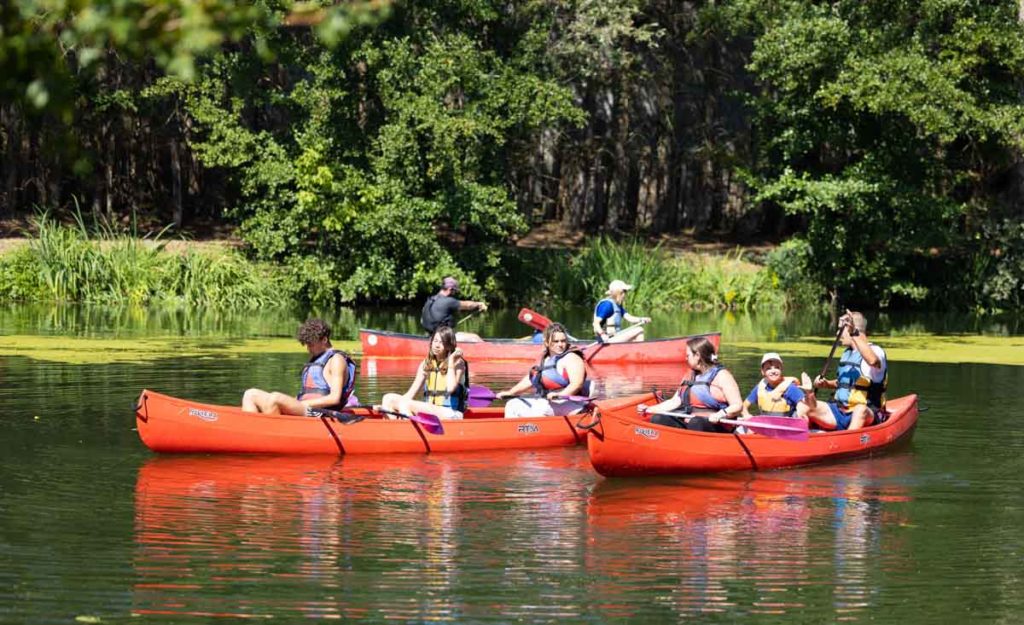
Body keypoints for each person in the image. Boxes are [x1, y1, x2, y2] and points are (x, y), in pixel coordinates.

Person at [242, 318, 356, 415]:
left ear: (324, 340)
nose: (308, 349)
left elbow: (334, 398)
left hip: (321, 413)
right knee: (250, 394)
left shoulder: (336, 360)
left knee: (275, 398)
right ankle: (251, 432)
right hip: (304, 408)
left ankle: (273, 434)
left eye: (311, 345)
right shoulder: (318, 358)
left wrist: (300, 404)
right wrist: (293, 402)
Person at [803, 311, 888, 431]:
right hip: (840, 411)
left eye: (840, 329)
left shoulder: (876, 351)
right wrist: (826, 384)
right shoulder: (847, 353)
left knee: (860, 409)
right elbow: (844, 383)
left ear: (852, 328)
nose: (837, 333)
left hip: (868, 413)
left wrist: (854, 333)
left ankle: (847, 441)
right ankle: (801, 438)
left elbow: (873, 361)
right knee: (805, 406)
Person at [639, 336, 743, 432]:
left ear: (697, 355)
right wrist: (650, 409)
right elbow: (675, 401)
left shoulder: (722, 376)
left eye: (688, 355)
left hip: (717, 425)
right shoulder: (689, 375)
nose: (685, 358)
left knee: (696, 422)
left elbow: (737, 405)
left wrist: (721, 414)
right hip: (691, 423)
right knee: (658, 418)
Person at [496, 323, 591, 418]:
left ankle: (532, 430)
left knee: (541, 408)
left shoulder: (572, 358)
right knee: (512, 404)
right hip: (548, 403)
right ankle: (514, 431)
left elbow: (577, 384)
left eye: (563, 341)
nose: (560, 344)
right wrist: (511, 392)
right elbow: (531, 379)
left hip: (571, 404)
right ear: (546, 342)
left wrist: (560, 395)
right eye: (555, 341)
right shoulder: (545, 359)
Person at [375, 326, 468, 421]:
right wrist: (383, 407)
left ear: (449, 345)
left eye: (442, 342)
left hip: (451, 413)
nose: (437, 345)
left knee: (406, 404)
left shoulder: (458, 363)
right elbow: (409, 396)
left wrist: (451, 360)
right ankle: (394, 432)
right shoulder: (426, 364)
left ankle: (407, 432)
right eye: (435, 341)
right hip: (431, 409)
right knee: (388, 398)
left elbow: (450, 388)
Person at [741, 352, 810, 420]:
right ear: (763, 371)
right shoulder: (759, 388)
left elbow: (806, 405)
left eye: (777, 367)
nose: (773, 371)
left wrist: (808, 393)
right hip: (766, 424)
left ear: (781, 369)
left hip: (788, 425)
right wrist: (746, 415)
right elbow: (744, 406)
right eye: (768, 368)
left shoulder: (791, 388)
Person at [421, 276, 487, 343]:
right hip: (443, 337)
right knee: (475, 338)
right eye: (455, 291)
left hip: (430, 336)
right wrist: (479, 304)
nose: (455, 293)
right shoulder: (449, 301)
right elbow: (468, 305)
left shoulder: (430, 300)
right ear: (450, 289)